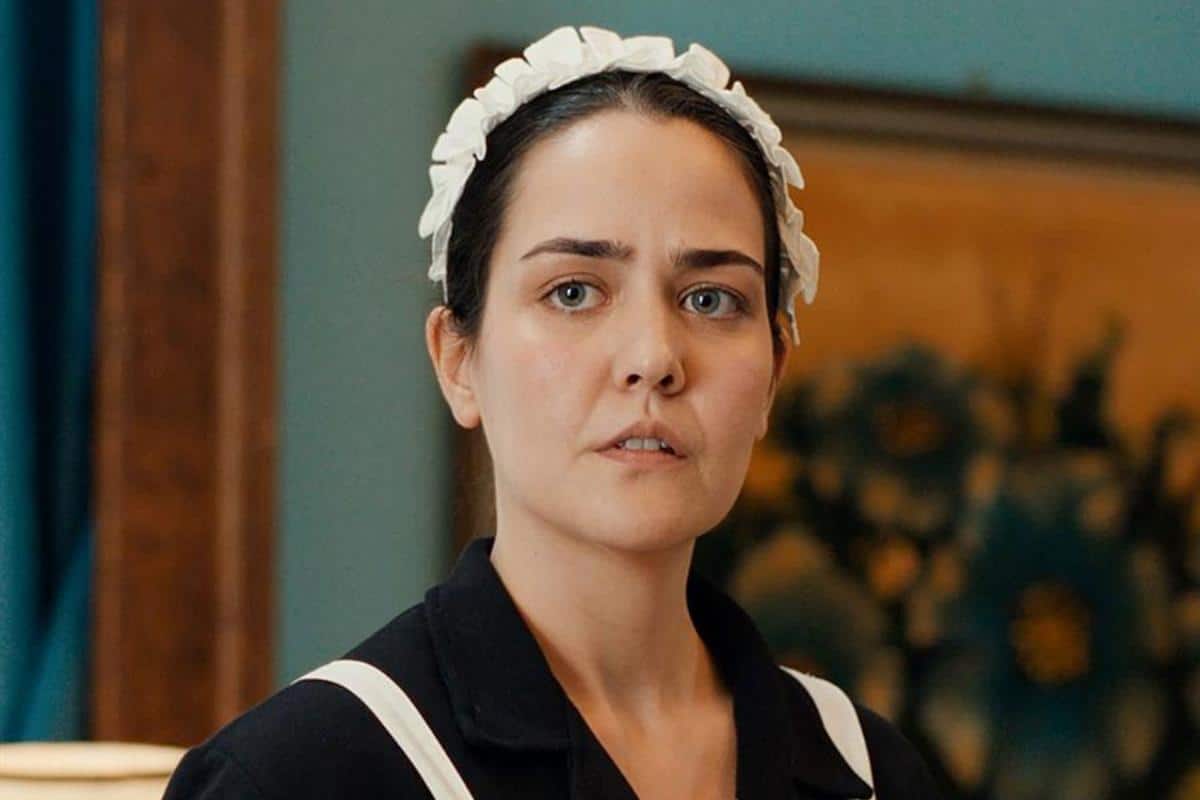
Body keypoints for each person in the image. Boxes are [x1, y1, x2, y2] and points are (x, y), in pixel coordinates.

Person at [163, 25, 942, 800]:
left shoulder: (871, 770)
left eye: (710, 299)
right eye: (573, 292)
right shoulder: (298, 775)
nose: (653, 357)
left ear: (774, 371)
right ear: (457, 359)